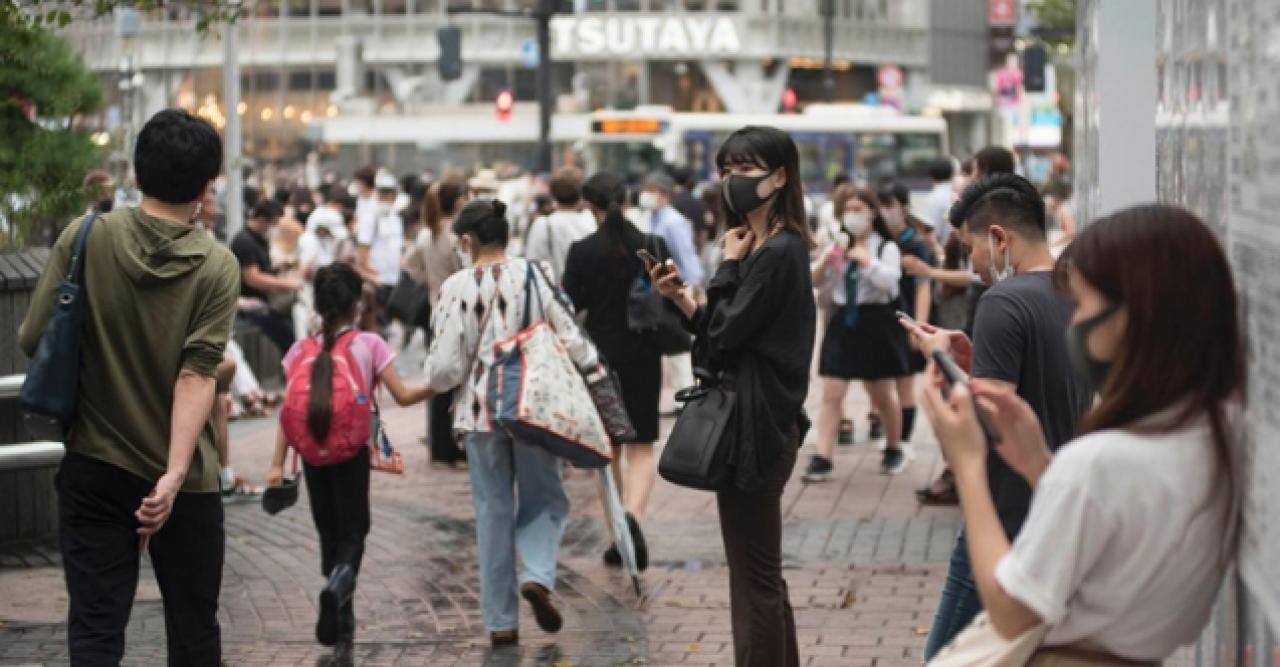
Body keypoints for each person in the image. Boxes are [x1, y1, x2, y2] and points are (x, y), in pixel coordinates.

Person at [919, 204, 1241, 664]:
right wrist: (1038, 465)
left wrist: (968, 465)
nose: (1072, 324)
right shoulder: (1213, 433)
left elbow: (1012, 612)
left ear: (1133, 315)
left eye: (1082, 305)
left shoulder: (1101, 460)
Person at [18, 109, 238, 664]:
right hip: (185, 483)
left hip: (95, 463)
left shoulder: (85, 238)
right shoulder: (216, 267)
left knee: (95, 627)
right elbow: (197, 374)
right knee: (193, 631)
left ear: (138, 174)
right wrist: (170, 476)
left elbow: (32, 337)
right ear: (205, 186)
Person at [904, 173, 1093, 661]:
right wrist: (972, 361)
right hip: (1055, 504)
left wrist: (940, 367)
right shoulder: (1074, 291)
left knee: (944, 656)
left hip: (1005, 512)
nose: (974, 263)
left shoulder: (1002, 302)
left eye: (971, 248)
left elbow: (990, 421)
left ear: (999, 238)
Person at [651, 126, 815, 666]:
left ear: (779, 177)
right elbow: (727, 337)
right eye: (726, 170)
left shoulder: (776, 252)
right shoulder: (766, 248)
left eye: (744, 171)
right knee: (759, 575)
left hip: (757, 427)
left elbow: (723, 337)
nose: (731, 183)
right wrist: (683, 301)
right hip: (757, 420)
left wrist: (726, 264)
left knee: (754, 582)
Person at [422, 199, 600, 647]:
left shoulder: (456, 286)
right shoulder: (536, 274)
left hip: (479, 414)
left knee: (491, 511)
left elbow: (443, 369)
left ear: (467, 241)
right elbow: (570, 335)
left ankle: (501, 622)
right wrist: (595, 377)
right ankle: (538, 573)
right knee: (546, 497)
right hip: (532, 407)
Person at [266, 263, 432, 667]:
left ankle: (341, 610)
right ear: (356, 304)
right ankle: (340, 585)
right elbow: (405, 395)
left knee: (328, 529)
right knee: (355, 530)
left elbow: (289, 411)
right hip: (351, 450)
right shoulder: (369, 345)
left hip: (310, 452)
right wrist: (445, 381)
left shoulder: (299, 350)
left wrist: (275, 466)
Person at [562, 171, 668, 571]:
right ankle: (634, 518)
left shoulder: (581, 251)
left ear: (589, 205)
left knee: (609, 447)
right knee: (642, 444)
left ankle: (617, 534)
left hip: (600, 355)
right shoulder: (651, 244)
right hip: (645, 351)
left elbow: (569, 306)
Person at [803, 185, 911, 482]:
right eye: (847, 211)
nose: (852, 217)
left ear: (872, 213)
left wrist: (867, 261)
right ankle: (823, 456)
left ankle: (893, 447)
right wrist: (825, 262)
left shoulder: (884, 247)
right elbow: (817, 283)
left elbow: (891, 285)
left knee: (881, 392)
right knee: (832, 391)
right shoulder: (837, 244)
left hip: (875, 320)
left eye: (858, 210)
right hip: (842, 320)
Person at [403, 176, 471, 468]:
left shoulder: (426, 234)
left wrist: (430, 282)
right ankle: (455, 447)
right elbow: (469, 271)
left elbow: (409, 266)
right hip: (461, 313)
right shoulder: (458, 235)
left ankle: (439, 446)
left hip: (436, 312)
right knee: (460, 380)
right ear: (458, 201)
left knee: (438, 380)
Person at [879, 181, 935, 453]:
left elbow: (923, 287)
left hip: (906, 319)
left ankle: (903, 442)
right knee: (884, 383)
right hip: (884, 321)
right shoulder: (881, 242)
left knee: (904, 384)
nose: (884, 212)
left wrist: (917, 326)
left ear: (903, 208)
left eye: (889, 206)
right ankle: (893, 436)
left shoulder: (914, 243)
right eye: (881, 206)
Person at [642, 172, 703, 406]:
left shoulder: (672, 221)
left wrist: (693, 288)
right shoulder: (654, 218)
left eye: (652, 191)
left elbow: (686, 256)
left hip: (680, 287)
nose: (646, 196)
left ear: (665, 195)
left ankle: (688, 396)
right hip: (665, 286)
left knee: (680, 344)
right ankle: (682, 397)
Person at [231, 199, 303, 355]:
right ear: (263, 219)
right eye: (274, 223)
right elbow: (253, 278)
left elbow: (261, 270)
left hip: (264, 300)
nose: (274, 228)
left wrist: (277, 269)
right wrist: (288, 284)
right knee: (289, 337)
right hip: (249, 304)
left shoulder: (260, 240)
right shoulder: (244, 242)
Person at [524, 166, 595, 281]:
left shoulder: (542, 224)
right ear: (581, 194)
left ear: (552, 193)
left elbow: (532, 264)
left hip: (550, 294)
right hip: (581, 293)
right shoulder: (590, 222)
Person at [355, 172, 404, 331]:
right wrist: (368, 274)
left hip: (393, 278)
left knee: (387, 324)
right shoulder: (370, 217)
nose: (387, 196)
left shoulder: (396, 217)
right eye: (383, 192)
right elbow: (362, 249)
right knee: (373, 324)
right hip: (377, 280)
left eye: (390, 192)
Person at [920, 158, 955, 247]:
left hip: (942, 251)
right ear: (952, 174)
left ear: (931, 176)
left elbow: (932, 232)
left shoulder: (933, 198)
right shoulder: (957, 194)